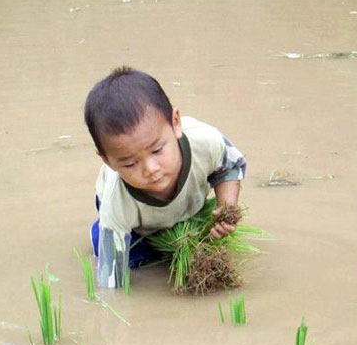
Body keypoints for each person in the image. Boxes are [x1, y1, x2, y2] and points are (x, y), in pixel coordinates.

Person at [84, 66, 247, 288]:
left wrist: (226, 210)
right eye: (130, 163)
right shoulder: (117, 201)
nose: (150, 169)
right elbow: (111, 279)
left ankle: (178, 228)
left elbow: (230, 166)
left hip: (186, 203)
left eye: (157, 150)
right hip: (136, 222)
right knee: (129, 255)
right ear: (107, 161)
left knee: (207, 239)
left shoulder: (204, 142)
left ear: (176, 123)